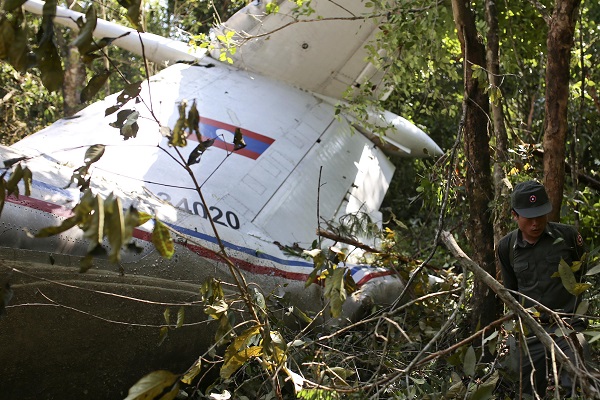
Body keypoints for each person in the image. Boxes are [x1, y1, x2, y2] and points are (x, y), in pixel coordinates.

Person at [497, 180, 588, 398]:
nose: (536, 223)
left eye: (541, 216)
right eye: (529, 218)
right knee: (527, 389)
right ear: (515, 215)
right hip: (531, 330)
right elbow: (512, 293)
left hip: (568, 325)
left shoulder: (567, 237)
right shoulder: (507, 247)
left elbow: (582, 275)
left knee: (577, 381)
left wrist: (578, 318)